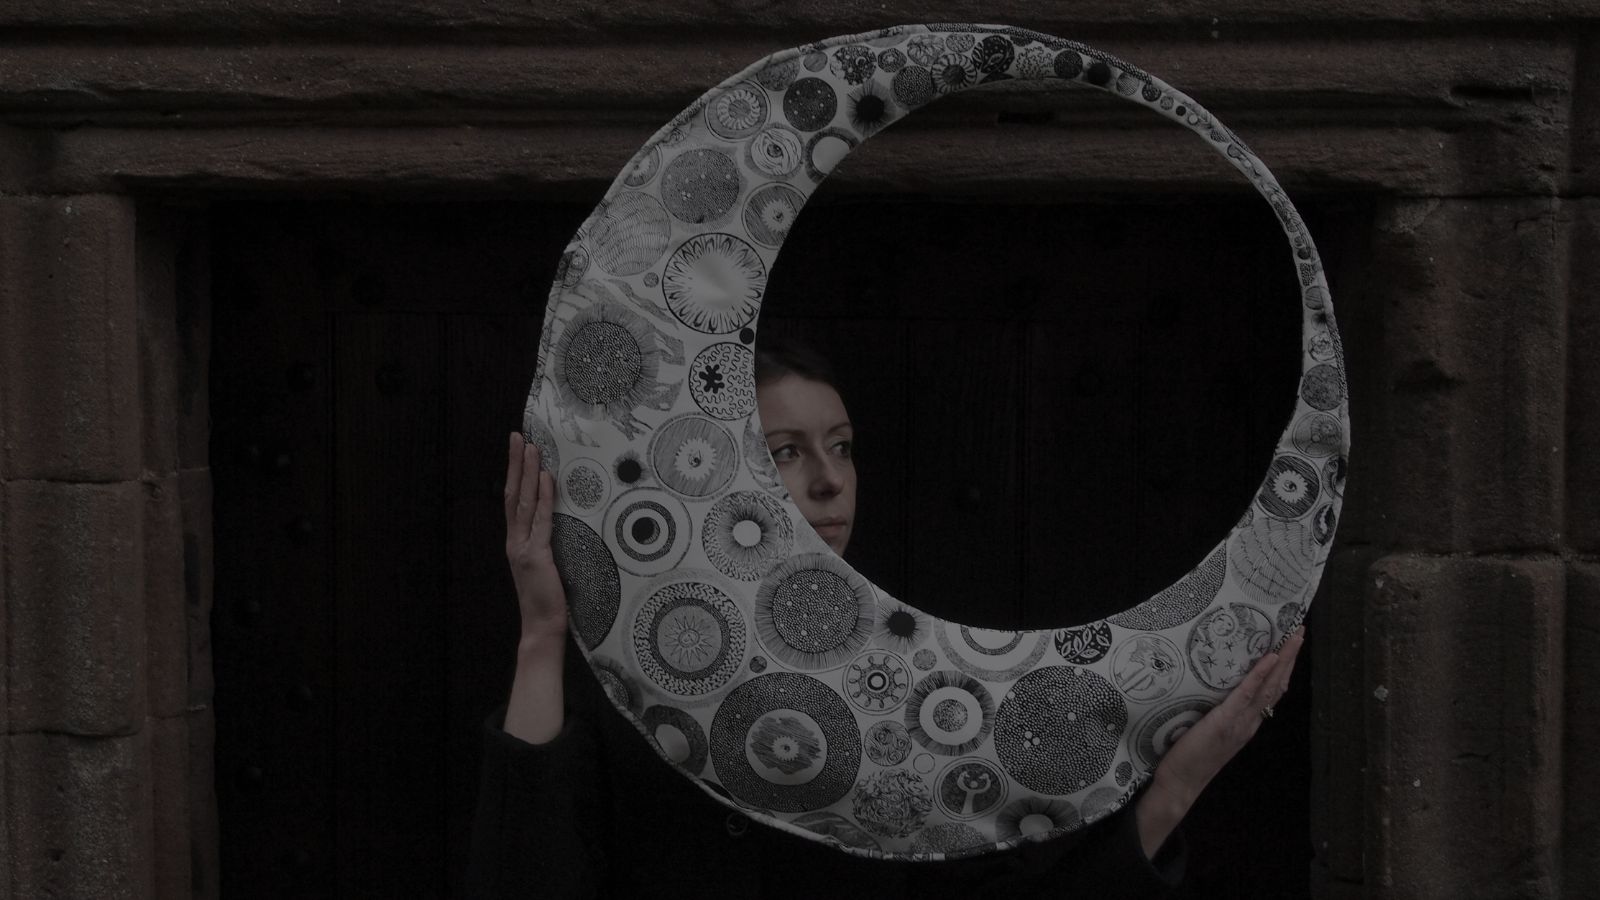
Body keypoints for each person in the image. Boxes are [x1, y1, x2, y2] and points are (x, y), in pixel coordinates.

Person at [466, 339, 1306, 899]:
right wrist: (542, 635)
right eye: (785, 451)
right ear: (709, 473)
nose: (831, 480)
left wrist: (1181, 783)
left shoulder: (913, 673)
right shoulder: (620, 667)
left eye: (842, 443)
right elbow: (522, 879)